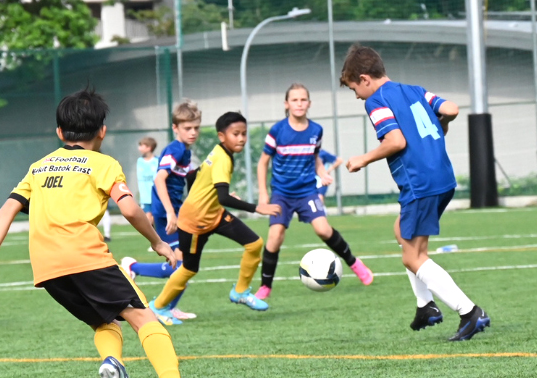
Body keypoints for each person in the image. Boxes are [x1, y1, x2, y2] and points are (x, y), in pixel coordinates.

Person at [0, 89, 218, 378]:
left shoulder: (39, 167)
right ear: (102, 131)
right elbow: (128, 209)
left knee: (104, 322)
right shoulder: (103, 164)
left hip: (47, 268)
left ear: (59, 133)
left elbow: (7, 209)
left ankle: (112, 363)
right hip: (85, 256)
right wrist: (157, 241)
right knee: (144, 318)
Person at [340, 44, 490, 341]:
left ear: (365, 78)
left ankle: (469, 311)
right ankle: (425, 306)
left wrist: (363, 158)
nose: (356, 95)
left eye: (354, 87)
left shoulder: (376, 101)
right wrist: (442, 124)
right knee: (401, 232)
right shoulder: (415, 89)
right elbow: (451, 109)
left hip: (420, 183)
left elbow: (396, 142)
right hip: (443, 177)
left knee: (412, 257)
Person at [150, 112, 281, 316]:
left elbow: (195, 176)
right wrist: (256, 207)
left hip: (215, 215)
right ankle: (157, 307)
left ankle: (240, 292)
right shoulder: (222, 159)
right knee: (188, 269)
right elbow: (223, 199)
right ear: (222, 136)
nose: (241, 138)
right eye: (235, 134)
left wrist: (216, 194)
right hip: (194, 222)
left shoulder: (220, 152)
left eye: (244, 134)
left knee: (254, 243)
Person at [254, 84, 373, 300]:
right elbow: (262, 163)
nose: (299, 104)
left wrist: (321, 173)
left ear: (309, 103)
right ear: (286, 104)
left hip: (307, 191)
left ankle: (355, 264)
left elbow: (315, 157)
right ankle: (265, 286)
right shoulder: (277, 131)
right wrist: (263, 194)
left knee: (323, 230)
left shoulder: (316, 130)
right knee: (275, 236)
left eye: (303, 100)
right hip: (281, 193)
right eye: (294, 100)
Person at [122, 101, 201, 325]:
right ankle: (133, 268)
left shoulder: (185, 150)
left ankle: (169, 307)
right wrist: (170, 212)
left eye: (196, 127)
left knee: (186, 265)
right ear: (175, 128)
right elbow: (159, 179)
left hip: (176, 211)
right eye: (187, 128)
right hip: (167, 214)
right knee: (177, 266)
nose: (193, 132)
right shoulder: (176, 148)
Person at [136, 136, 159, 224]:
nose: (139, 148)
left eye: (142, 146)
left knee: (155, 219)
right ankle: (155, 237)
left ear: (149, 148)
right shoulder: (140, 161)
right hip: (145, 197)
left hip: (156, 195)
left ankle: (157, 236)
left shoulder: (157, 161)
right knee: (148, 219)